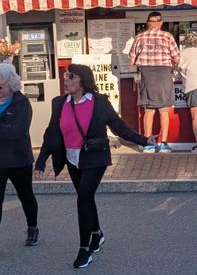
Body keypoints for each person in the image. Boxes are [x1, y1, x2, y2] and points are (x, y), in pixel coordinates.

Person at [34, 64, 156, 269]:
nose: (66, 80)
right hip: (72, 159)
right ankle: (97, 233)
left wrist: (144, 141)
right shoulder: (59, 103)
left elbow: (118, 127)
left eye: (71, 77)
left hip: (94, 158)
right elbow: (51, 133)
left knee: (82, 198)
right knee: (87, 198)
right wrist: (40, 162)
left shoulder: (99, 103)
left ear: (83, 80)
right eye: (65, 76)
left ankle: (84, 249)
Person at [129, 11, 180, 153]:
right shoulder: (167, 36)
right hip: (164, 73)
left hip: (146, 74)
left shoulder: (140, 37)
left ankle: (148, 144)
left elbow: (131, 59)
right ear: (161, 23)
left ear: (148, 23)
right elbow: (176, 58)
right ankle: (163, 143)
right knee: (164, 110)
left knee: (149, 110)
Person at [0, 64, 38, 247]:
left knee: (26, 195)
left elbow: (18, 131)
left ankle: (32, 227)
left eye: (1, 85)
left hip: (18, 160)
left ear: (11, 84)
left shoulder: (21, 103)